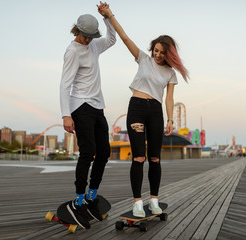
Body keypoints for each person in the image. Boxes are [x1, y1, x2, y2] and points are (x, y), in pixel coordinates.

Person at [98, 3, 189, 217]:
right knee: (139, 157)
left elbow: (169, 98)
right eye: (156, 50)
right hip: (137, 109)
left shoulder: (170, 73)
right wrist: (110, 16)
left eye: (162, 53)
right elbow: (125, 37)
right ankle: (138, 202)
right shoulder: (143, 59)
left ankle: (154, 200)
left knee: (155, 158)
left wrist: (170, 120)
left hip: (156, 112)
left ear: (169, 54)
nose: (157, 55)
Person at [59, 2, 116, 228]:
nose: (89, 40)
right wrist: (66, 115)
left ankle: (92, 196)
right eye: (86, 37)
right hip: (79, 106)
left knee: (104, 152)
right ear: (78, 31)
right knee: (88, 152)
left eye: (92, 37)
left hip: (97, 106)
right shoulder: (72, 51)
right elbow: (64, 85)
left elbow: (111, 40)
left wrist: (107, 18)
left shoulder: (93, 45)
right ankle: (79, 199)